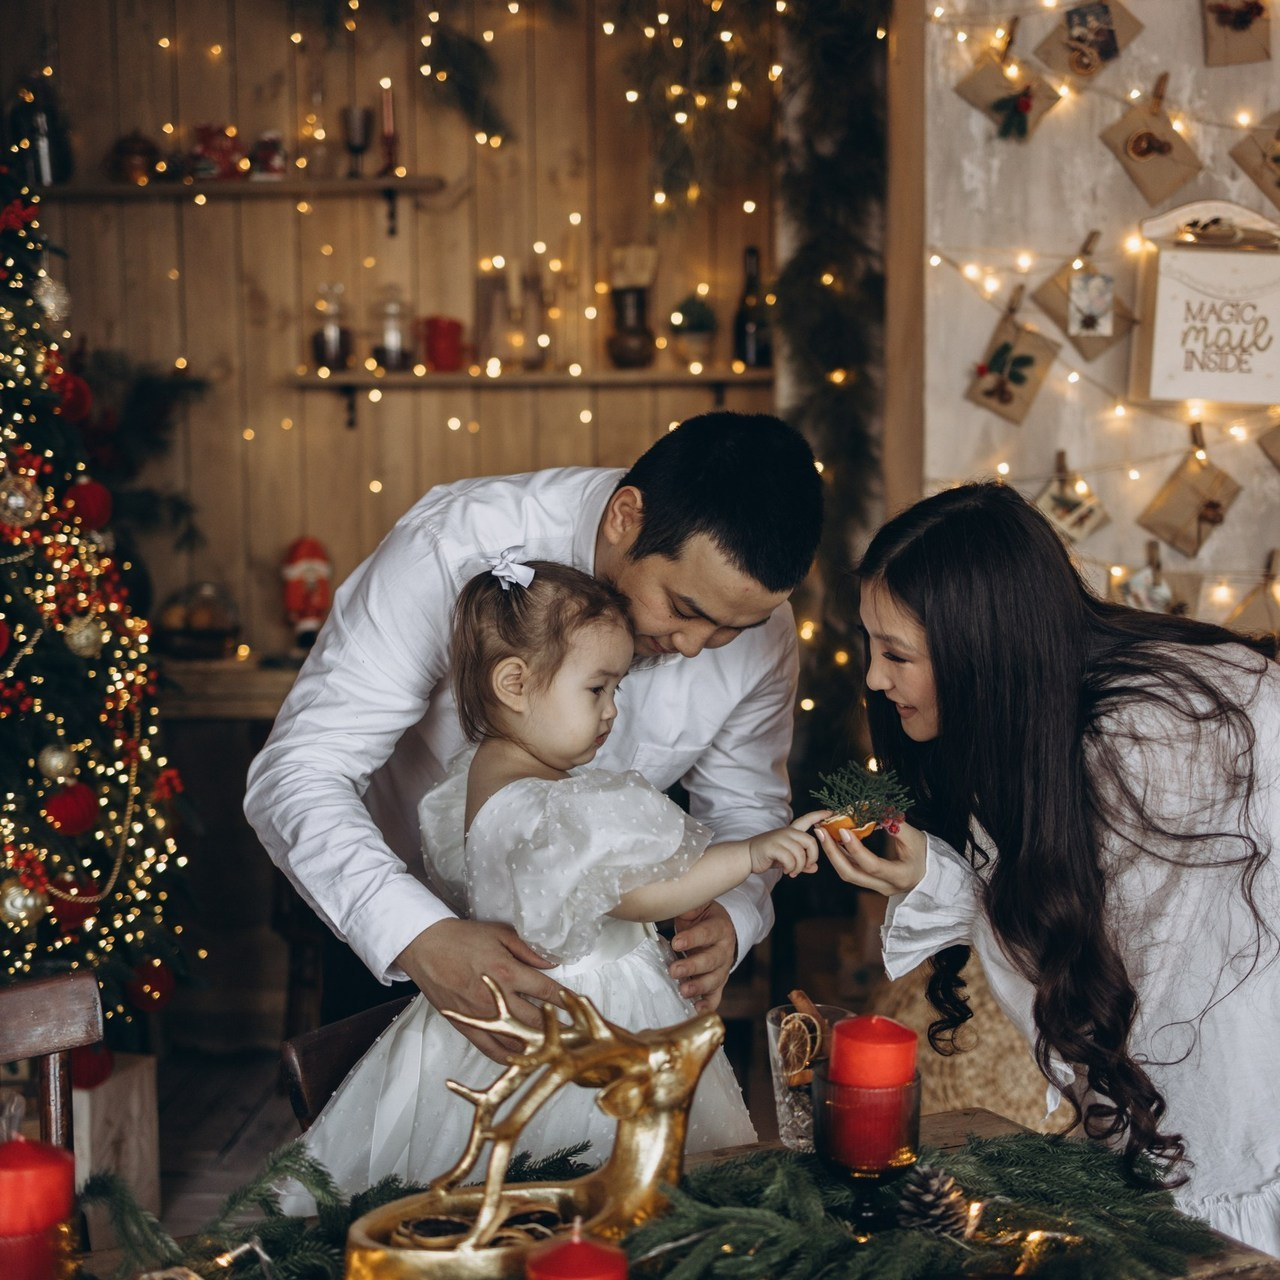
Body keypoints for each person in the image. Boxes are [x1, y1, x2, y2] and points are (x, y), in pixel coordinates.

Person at [245, 412, 824, 1060]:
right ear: (624, 517)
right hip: (395, 927)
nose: (694, 647)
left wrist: (734, 917)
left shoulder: (763, 631)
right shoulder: (455, 544)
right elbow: (299, 770)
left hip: (604, 983)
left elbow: (746, 808)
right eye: (685, 609)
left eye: (729, 631)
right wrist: (419, 935)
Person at [816, 482, 1279, 1256]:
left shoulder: (1143, 747)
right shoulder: (1058, 710)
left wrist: (950, 887)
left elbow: (1109, 988)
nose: (872, 678)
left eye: (896, 654)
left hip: (1239, 1124)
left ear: (982, 650)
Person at [281, 560, 825, 1206]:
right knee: (606, 1193)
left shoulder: (476, 779)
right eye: (597, 690)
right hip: (581, 1027)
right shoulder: (546, 807)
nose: (612, 712)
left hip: (519, 1009)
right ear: (515, 683)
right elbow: (641, 893)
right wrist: (752, 855)